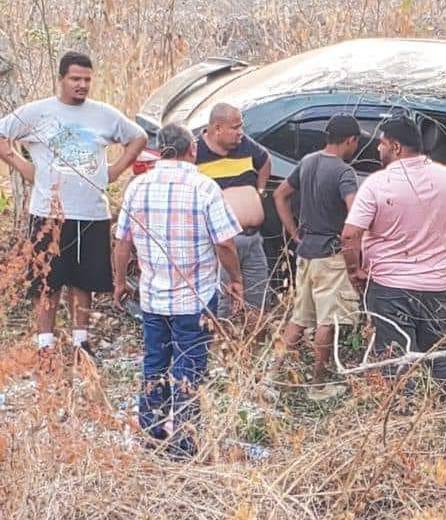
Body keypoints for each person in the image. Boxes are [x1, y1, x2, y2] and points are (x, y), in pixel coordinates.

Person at [0, 51, 147, 357]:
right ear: (61, 79)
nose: (82, 85)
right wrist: (22, 166)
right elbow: (3, 135)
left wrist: (115, 170)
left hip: (91, 211)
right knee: (47, 280)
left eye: (87, 80)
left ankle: (81, 340)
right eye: (75, 79)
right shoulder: (37, 112)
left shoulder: (104, 114)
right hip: (48, 213)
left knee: (84, 279)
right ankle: (45, 344)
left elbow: (138, 137)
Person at [113, 123, 242, 455]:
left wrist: (118, 283)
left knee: (155, 362)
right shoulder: (204, 187)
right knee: (190, 366)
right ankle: (184, 442)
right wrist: (236, 279)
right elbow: (225, 244)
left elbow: (122, 244)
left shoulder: (137, 187)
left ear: (160, 150)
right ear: (193, 149)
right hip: (195, 299)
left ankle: (152, 433)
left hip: (153, 298)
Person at [341, 115, 446, 401]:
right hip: (436, 287)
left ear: (395, 147)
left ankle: (407, 418)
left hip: (389, 288)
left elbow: (350, 235)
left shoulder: (377, 184)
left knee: (396, 358)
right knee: (440, 354)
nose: (378, 150)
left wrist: (355, 271)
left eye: (381, 144)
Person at [272, 114, 361, 386]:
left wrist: (293, 230)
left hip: (306, 252)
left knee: (300, 317)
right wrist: (355, 255)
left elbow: (280, 194)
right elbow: (355, 213)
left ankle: (272, 375)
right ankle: (318, 382)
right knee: (328, 321)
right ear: (351, 140)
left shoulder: (308, 162)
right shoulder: (344, 172)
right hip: (330, 254)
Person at [196, 103, 271, 317]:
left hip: (253, 239)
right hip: (222, 244)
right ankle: (223, 348)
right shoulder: (196, 152)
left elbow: (265, 161)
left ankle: (252, 348)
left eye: (241, 127)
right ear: (217, 128)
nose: (241, 133)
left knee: (257, 302)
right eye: (235, 128)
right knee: (224, 304)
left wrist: (260, 191)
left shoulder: (245, 145)